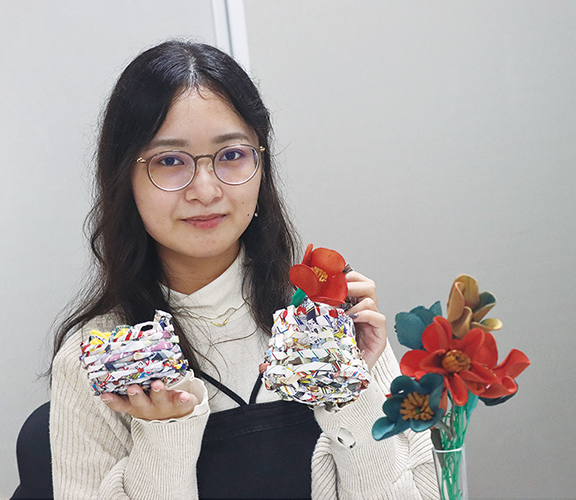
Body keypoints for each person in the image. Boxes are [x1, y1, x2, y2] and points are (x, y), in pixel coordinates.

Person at [50, 40, 438, 499]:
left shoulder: (333, 318)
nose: (206, 189)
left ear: (261, 163)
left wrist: (348, 390)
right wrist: (164, 433)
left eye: (232, 155)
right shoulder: (95, 357)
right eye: (170, 161)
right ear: (123, 178)